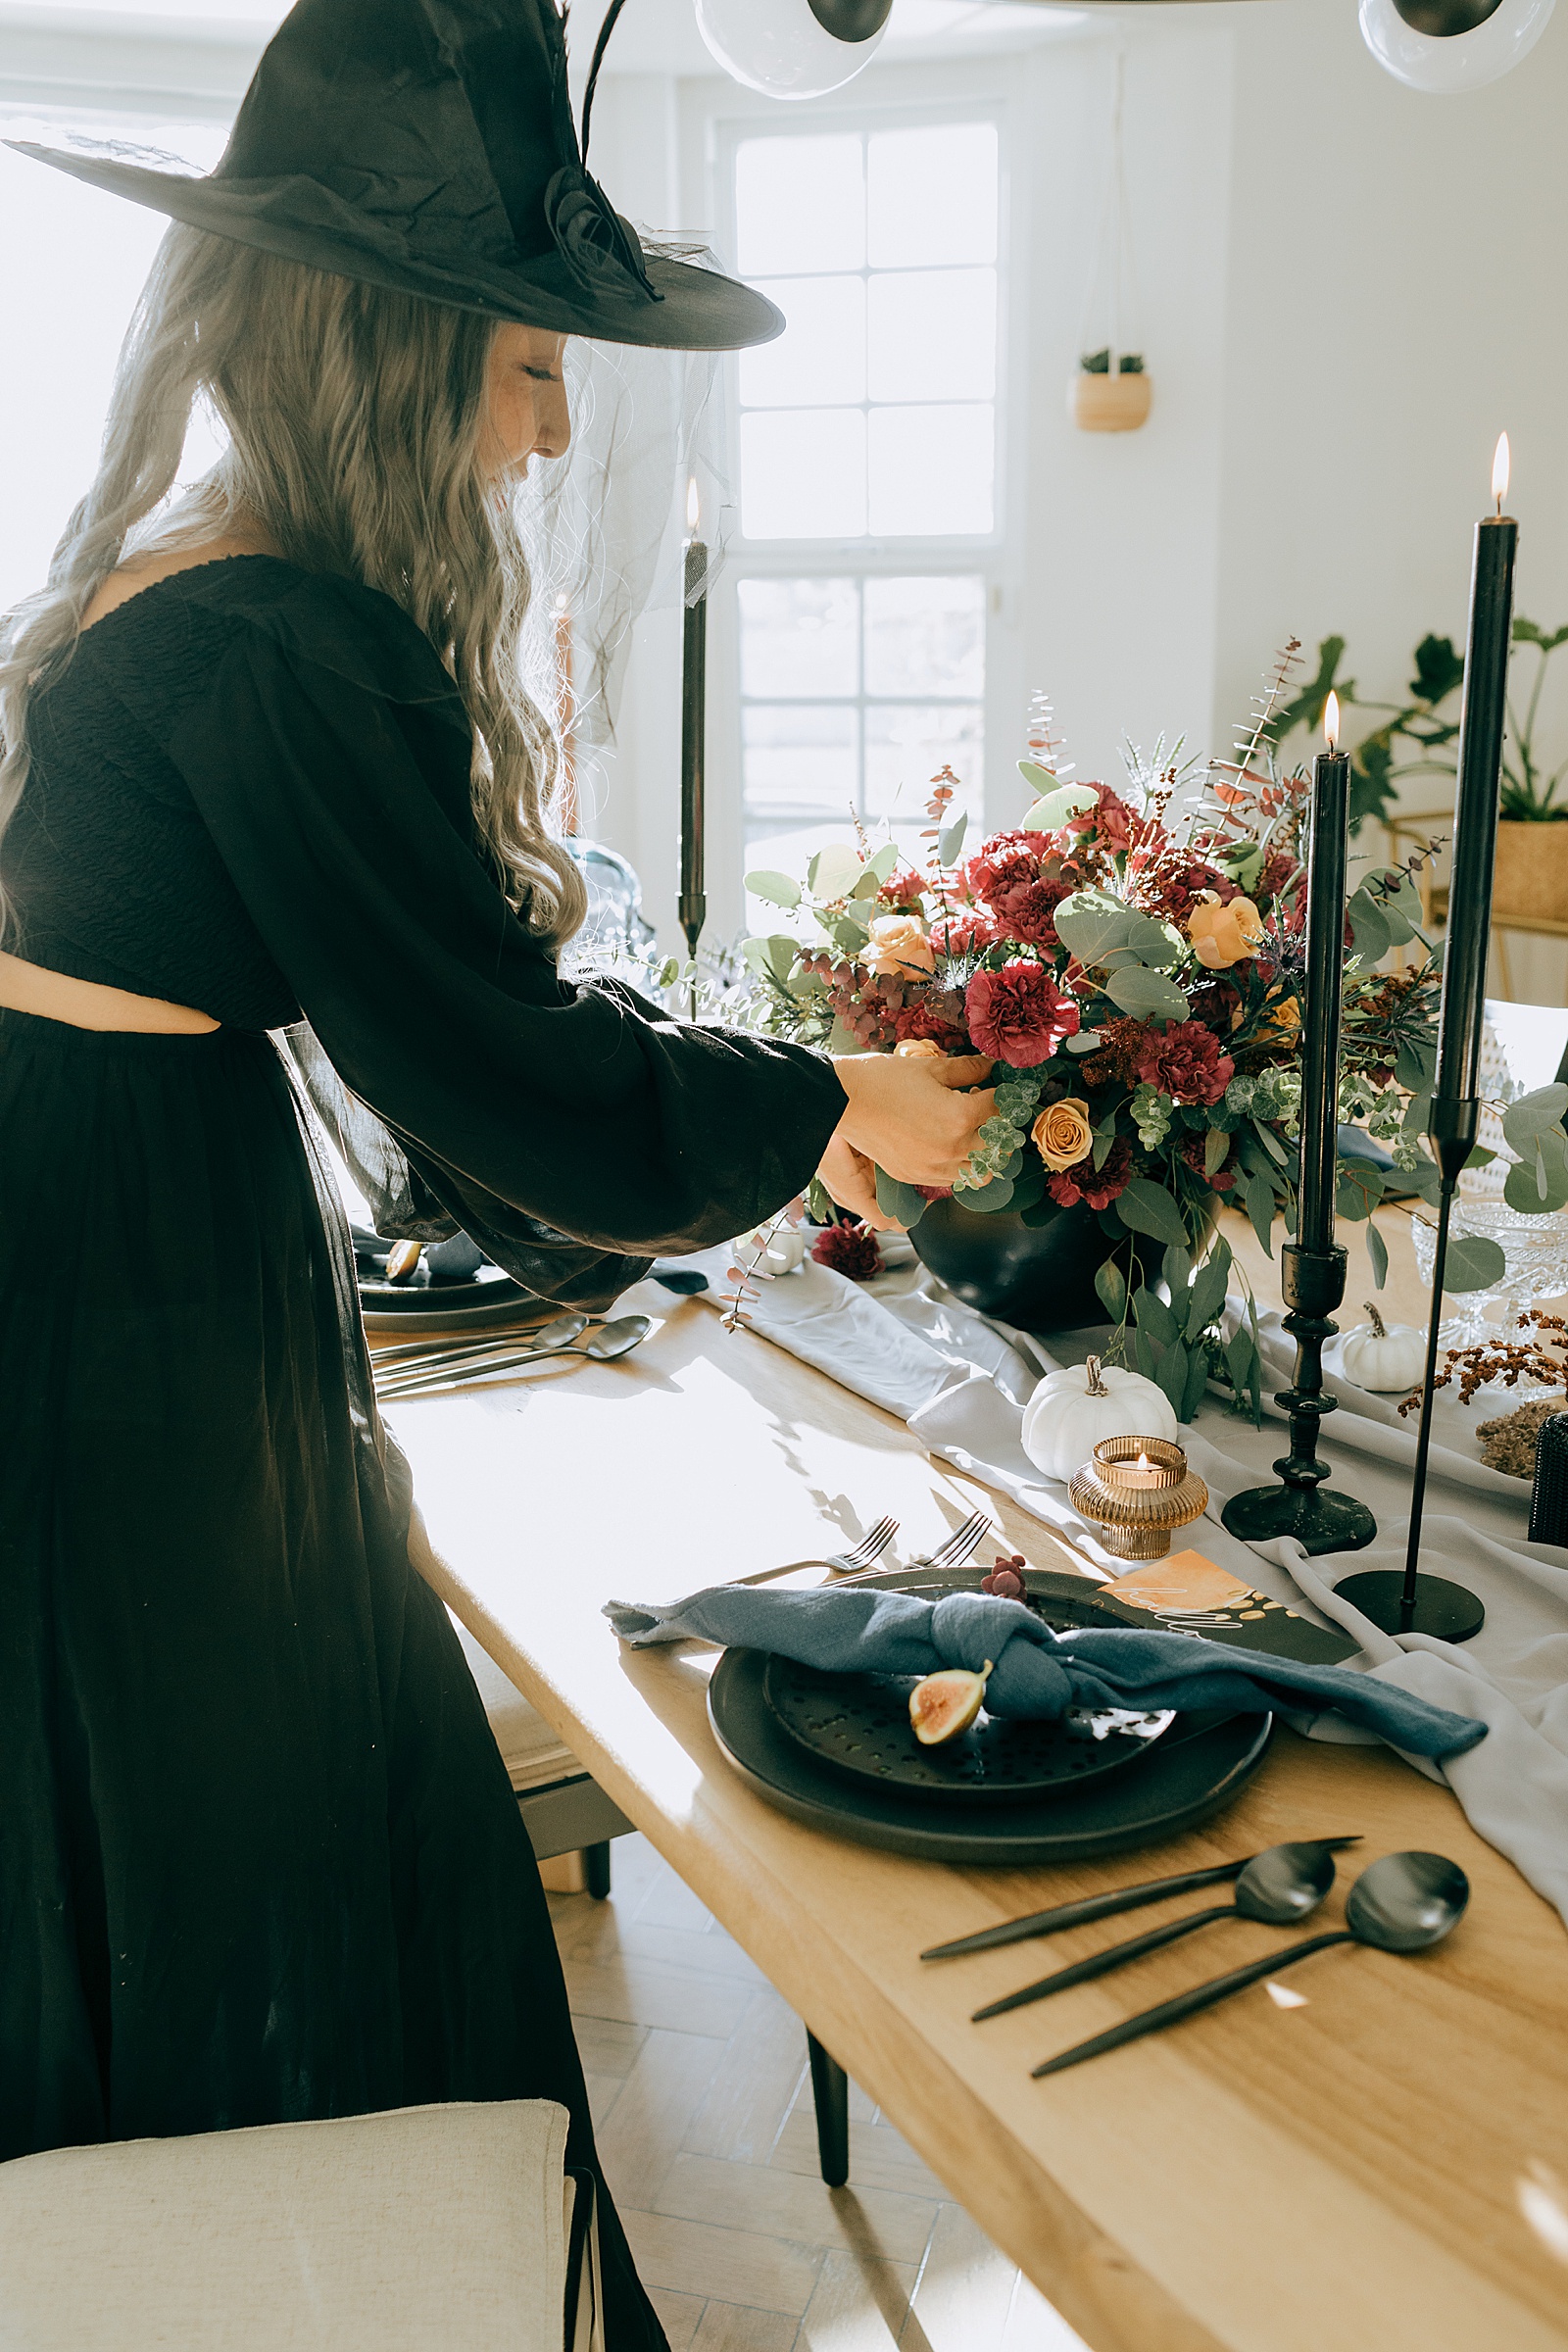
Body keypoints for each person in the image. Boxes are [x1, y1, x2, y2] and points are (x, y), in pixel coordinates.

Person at [0, 3, 993, 2341]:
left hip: (85, 1207)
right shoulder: (291, 635)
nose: (551, 426)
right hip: (128, 1280)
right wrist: (826, 1099)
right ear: (399, 342)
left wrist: (748, 1090)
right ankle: (332, 2282)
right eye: (532, 365)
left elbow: (446, 1001)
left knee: (170, 1798)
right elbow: (491, 1068)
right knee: (287, 1799)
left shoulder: (192, 565)